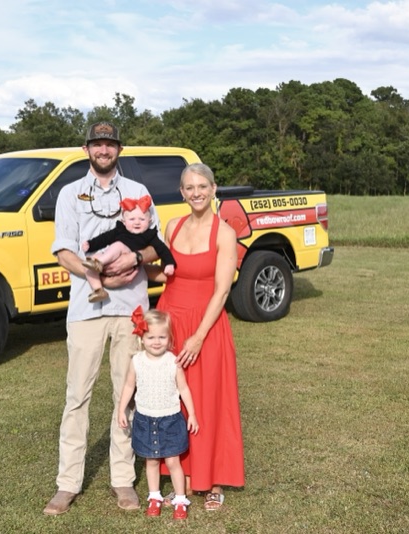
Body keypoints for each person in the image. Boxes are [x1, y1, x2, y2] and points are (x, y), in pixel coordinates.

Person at [43, 121, 162, 516]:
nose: (104, 150)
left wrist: (135, 258)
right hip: (86, 309)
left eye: (110, 144)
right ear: (86, 149)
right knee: (77, 396)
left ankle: (122, 479)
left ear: (119, 149)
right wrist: (100, 276)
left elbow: (154, 246)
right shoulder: (69, 194)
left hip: (130, 309)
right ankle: (67, 483)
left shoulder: (138, 192)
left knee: (126, 396)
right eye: (97, 144)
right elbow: (64, 252)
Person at [150, 162, 245, 511]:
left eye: (202, 186)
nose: (196, 193)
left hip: (207, 326)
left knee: (209, 400)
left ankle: (214, 479)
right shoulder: (172, 226)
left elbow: (222, 291)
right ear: (181, 192)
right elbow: (167, 274)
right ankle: (183, 474)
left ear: (214, 188)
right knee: (171, 400)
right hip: (171, 323)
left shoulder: (224, 233)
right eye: (189, 187)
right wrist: (128, 266)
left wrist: (199, 337)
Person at [117, 307, 199, 520]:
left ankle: (180, 499)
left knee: (173, 462)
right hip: (145, 419)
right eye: (151, 337)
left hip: (170, 420)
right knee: (151, 462)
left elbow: (184, 389)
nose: (156, 342)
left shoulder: (173, 361)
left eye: (162, 337)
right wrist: (121, 409)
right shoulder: (137, 361)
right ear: (142, 338)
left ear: (169, 338)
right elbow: (129, 386)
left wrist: (192, 414)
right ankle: (154, 497)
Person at [82, 195, 176, 303]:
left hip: (127, 259)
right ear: (124, 221)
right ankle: (98, 290)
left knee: (118, 245)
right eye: (132, 219)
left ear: (150, 221)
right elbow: (104, 238)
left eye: (142, 219)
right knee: (89, 263)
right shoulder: (119, 230)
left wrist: (169, 263)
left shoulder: (149, 235)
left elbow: (162, 249)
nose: (137, 222)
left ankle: (98, 263)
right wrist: (90, 244)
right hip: (109, 260)